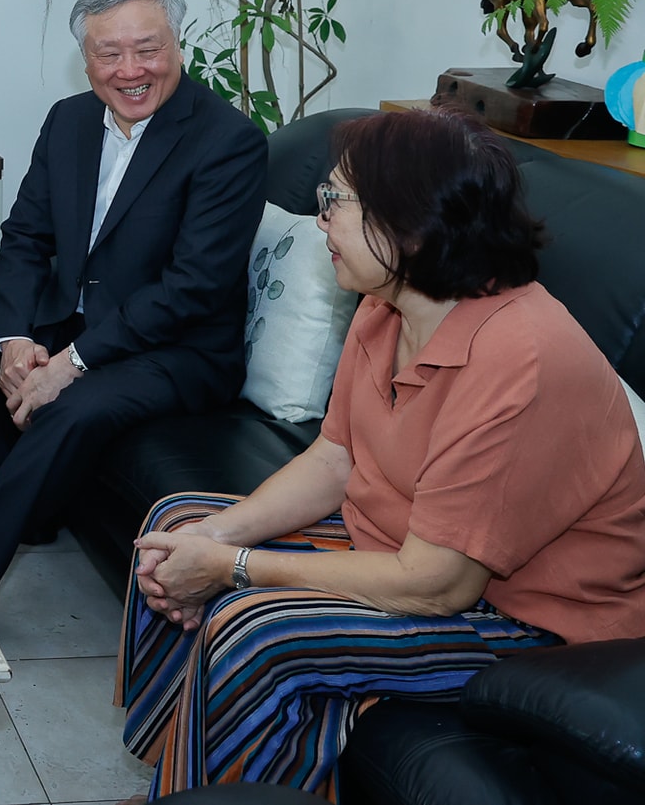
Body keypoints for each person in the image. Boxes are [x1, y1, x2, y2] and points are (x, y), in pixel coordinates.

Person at [118, 108, 645, 800]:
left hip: (527, 620)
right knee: (177, 524)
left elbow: (438, 584)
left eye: (335, 201)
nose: (320, 220)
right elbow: (334, 459)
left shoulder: (520, 358)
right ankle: (186, 781)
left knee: (254, 628)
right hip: (406, 543)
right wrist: (212, 540)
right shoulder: (388, 303)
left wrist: (232, 567)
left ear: (412, 225)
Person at [0, 0, 267, 604]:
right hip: (76, 317)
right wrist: (14, 337)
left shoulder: (227, 140)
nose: (131, 70)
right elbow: (26, 235)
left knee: (74, 402)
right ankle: (23, 495)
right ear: (86, 60)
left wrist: (72, 362)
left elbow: (193, 287)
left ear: (177, 46)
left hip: (177, 347)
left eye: (148, 49)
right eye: (109, 53)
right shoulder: (70, 119)